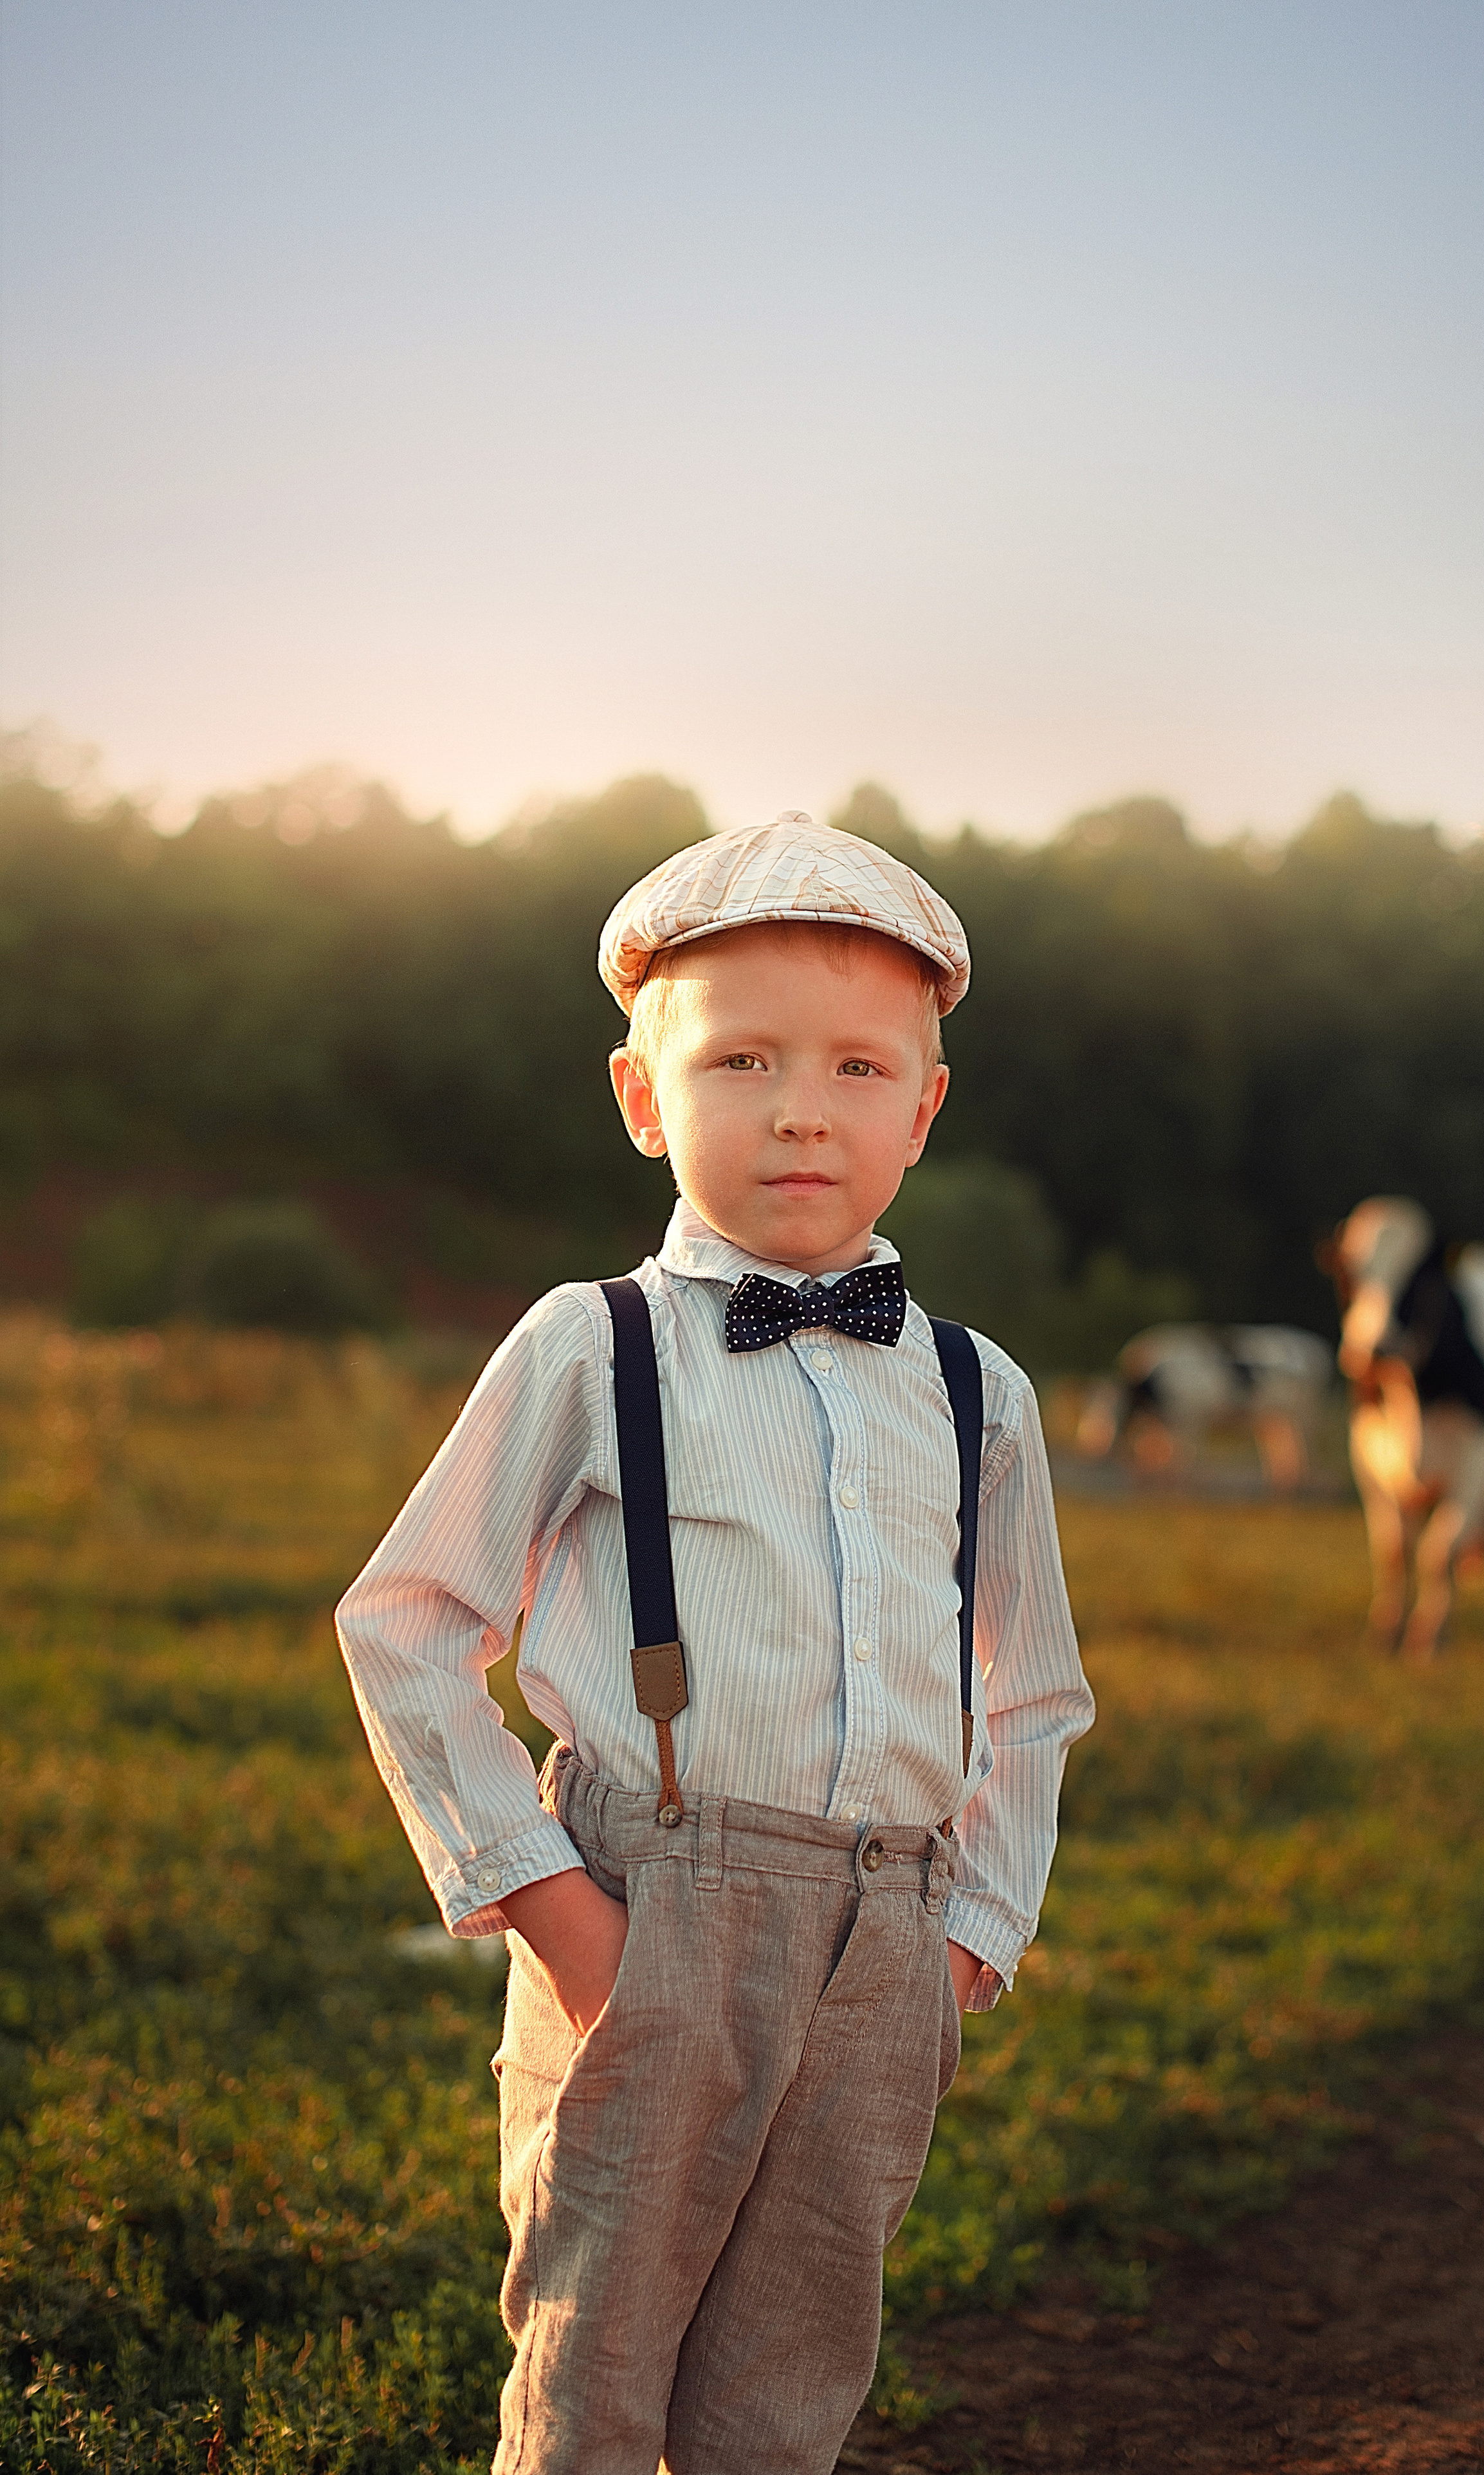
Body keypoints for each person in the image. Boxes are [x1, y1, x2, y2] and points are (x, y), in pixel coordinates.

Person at [335, 811, 1094, 2474]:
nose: (801, 1109)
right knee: (596, 2359)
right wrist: (558, 1914)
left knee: (790, 2377)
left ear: (924, 1108)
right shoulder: (592, 1347)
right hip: (651, 1909)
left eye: (857, 1070)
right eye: (740, 1061)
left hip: (891, 1943)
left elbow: (1032, 1692)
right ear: (641, 1098)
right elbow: (403, 1626)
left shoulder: (982, 1394)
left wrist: (970, 1930)